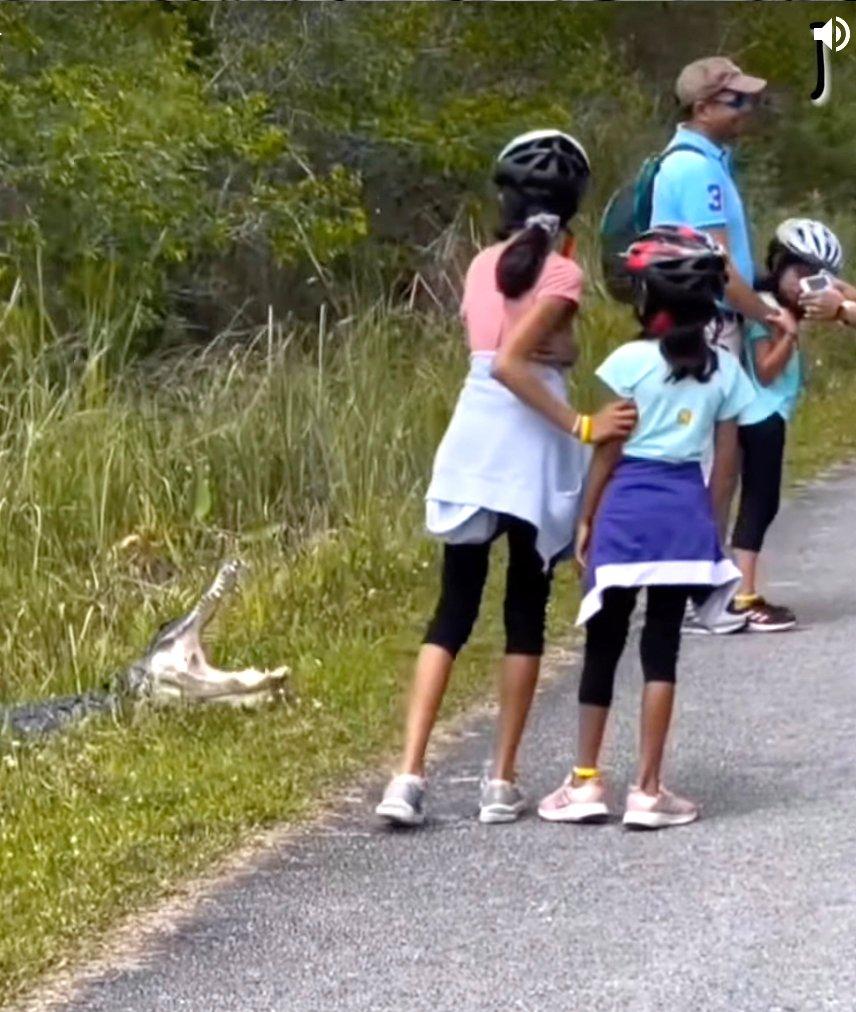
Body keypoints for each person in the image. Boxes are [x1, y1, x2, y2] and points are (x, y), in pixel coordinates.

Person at [375, 130, 636, 827]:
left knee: (452, 611)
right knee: (524, 612)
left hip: (474, 440)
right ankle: (501, 780)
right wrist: (582, 425)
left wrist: (562, 344)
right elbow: (516, 362)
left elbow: (502, 347)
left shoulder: (482, 264)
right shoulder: (564, 274)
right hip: (534, 445)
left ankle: (407, 776)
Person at [538, 227, 755, 830]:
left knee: (603, 645)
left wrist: (586, 516)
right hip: (683, 519)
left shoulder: (629, 363)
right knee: (662, 649)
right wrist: (710, 530)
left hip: (625, 514)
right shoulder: (727, 373)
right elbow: (727, 466)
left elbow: (608, 449)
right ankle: (649, 790)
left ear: (648, 299)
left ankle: (585, 783)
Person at [650, 56, 798, 635]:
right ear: (702, 107)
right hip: (706, 329)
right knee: (714, 465)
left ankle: (712, 587)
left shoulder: (701, 165)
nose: (747, 110)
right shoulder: (698, 172)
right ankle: (706, 594)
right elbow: (719, 270)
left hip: (702, 326)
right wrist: (770, 314)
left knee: (723, 463)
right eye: (736, 101)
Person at [730, 218, 844, 631]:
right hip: (759, 415)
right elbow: (764, 371)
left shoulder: (783, 301)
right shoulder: (766, 306)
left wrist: (836, 294)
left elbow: (844, 298)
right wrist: (789, 336)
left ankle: (737, 589)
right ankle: (743, 595)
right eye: (798, 273)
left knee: (765, 501)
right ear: (778, 264)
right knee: (759, 502)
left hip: (770, 414)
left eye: (815, 278)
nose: (804, 285)